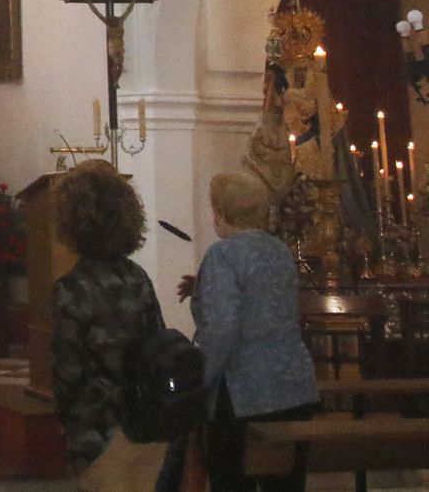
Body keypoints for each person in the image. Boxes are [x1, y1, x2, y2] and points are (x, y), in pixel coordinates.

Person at [176, 172, 318, 491]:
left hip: (243, 394)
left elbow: (223, 330)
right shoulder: (280, 251)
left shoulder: (222, 254)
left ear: (220, 213)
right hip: (293, 386)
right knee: (285, 484)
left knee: (232, 481)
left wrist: (200, 382)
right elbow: (265, 301)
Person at [52, 160, 168, 490]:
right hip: (146, 425)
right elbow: (156, 340)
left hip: (98, 431)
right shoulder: (138, 278)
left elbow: (68, 371)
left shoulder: (72, 288)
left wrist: (63, 421)